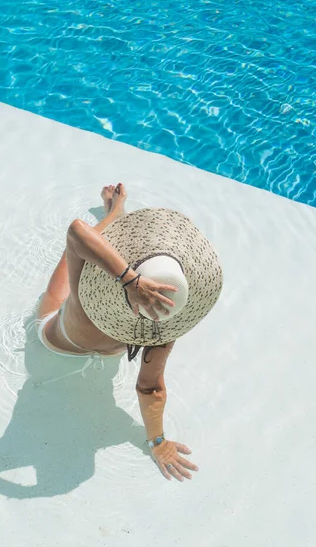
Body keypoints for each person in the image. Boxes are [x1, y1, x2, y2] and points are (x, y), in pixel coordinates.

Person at [36, 183, 223, 482]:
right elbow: (150, 386)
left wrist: (127, 279)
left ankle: (115, 213)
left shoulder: (99, 302)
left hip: (72, 329)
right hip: (53, 334)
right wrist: (157, 443)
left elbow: (78, 234)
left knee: (78, 259)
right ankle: (116, 212)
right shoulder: (167, 319)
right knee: (62, 285)